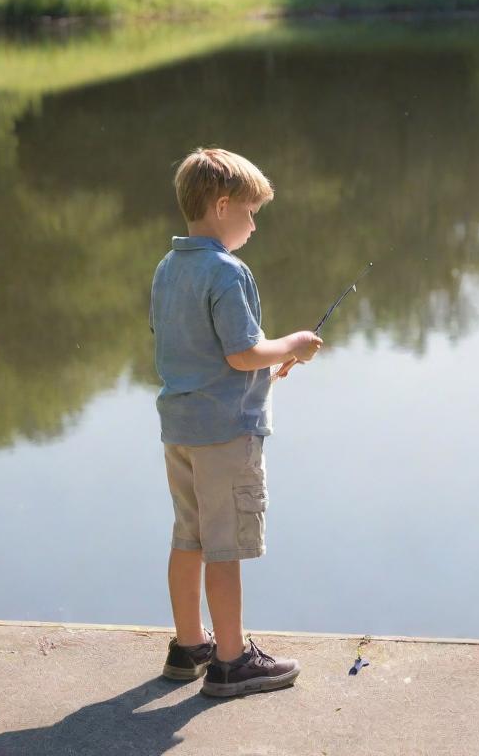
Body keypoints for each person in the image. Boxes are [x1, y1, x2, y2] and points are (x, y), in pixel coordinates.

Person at [149, 147, 322, 697]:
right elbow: (243, 351)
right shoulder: (227, 272)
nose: (252, 224)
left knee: (189, 538)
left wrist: (267, 372)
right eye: (250, 213)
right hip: (225, 438)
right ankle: (229, 661)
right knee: (224, 546)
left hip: (181, 431)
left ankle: (188, 646)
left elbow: (196, 353)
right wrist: (291, 344)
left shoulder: (168, 268)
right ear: (223, 207)